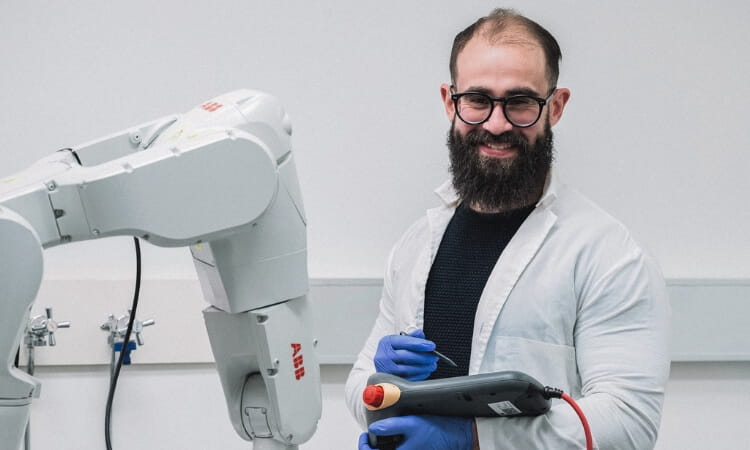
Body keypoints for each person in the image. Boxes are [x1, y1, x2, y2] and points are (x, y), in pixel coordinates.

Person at [345, 7, 670, 450]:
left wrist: (471, 439)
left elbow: (628, 424)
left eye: (519, 102)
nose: (496, 124)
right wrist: (380, 383)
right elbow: (360, 383)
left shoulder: (607, 254)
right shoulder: (416, 245)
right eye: (478, 100)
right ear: (449, 101)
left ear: (555, 107)